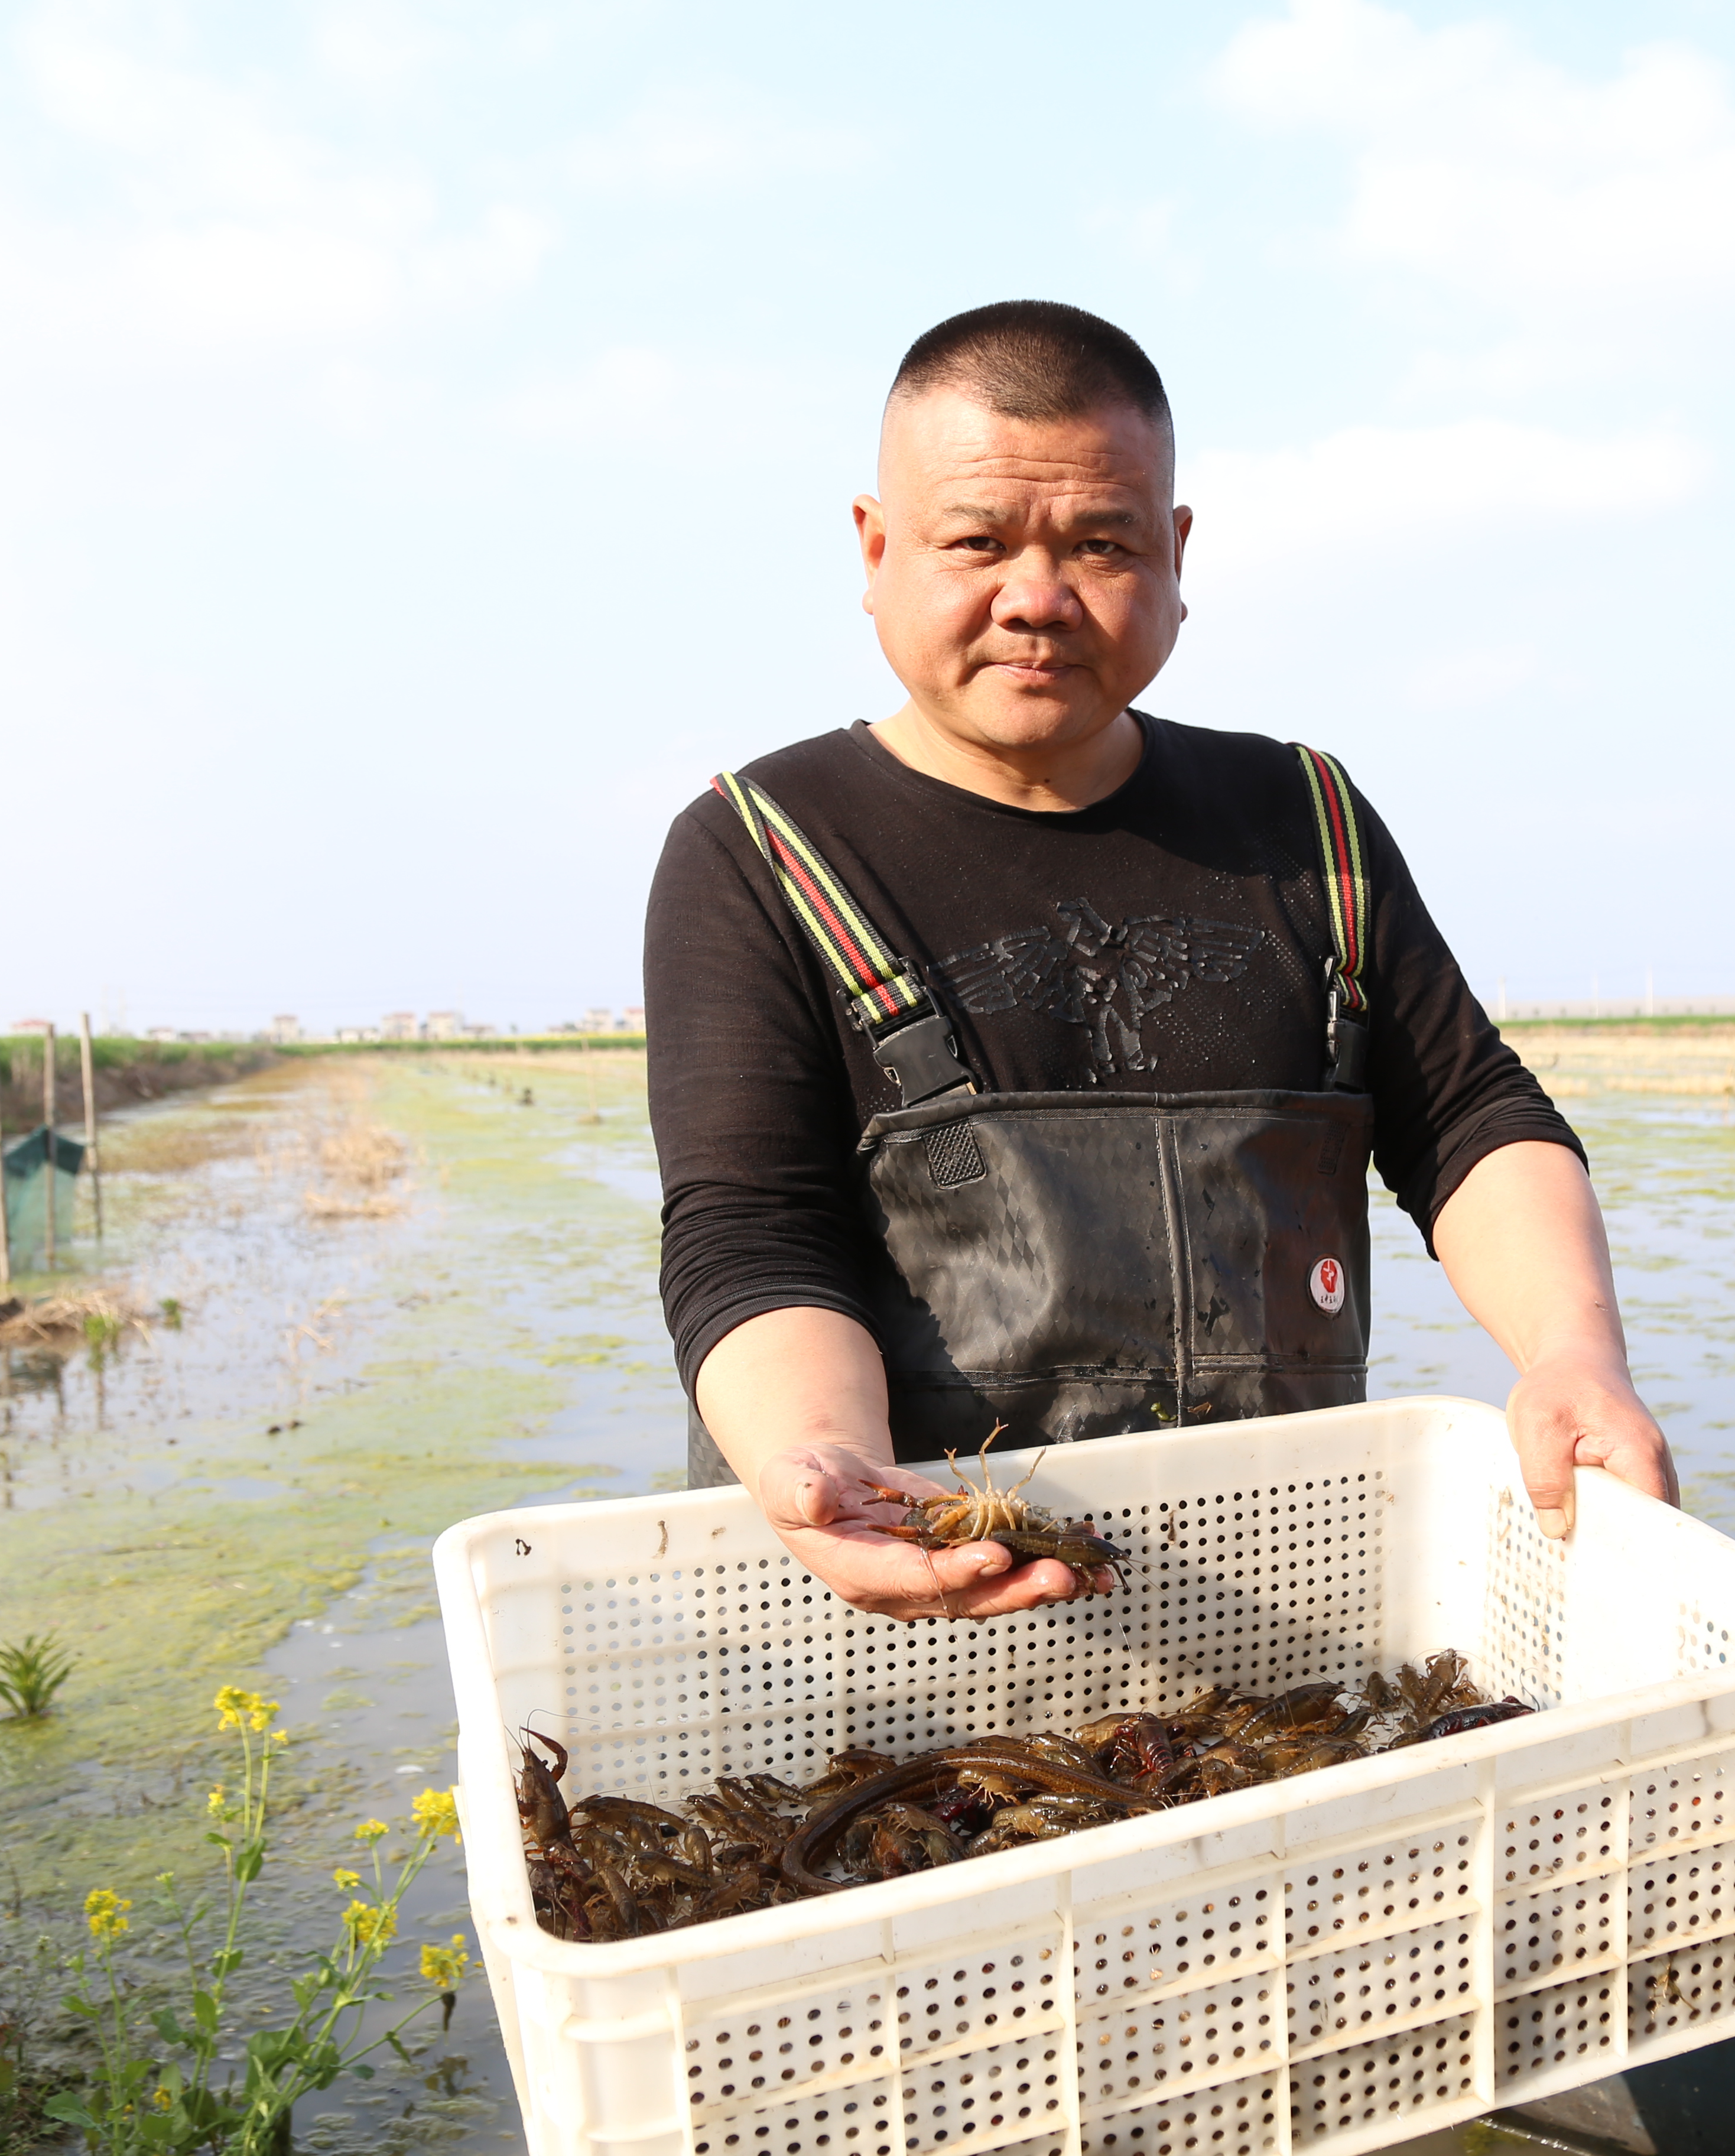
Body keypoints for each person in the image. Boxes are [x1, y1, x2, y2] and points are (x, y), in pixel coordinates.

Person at [645, 300, 1674, 1624]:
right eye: (977, 542)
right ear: (878, 546)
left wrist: (1576, 1356)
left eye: (1101, 543)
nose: (1036, 597)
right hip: (897, 1607)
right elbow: (752, 1228)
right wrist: (825, 1457)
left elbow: (1471, 1120)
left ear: (1177, 553)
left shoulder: (1305, 822)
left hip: (1281, 1595)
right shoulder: (761, 850)